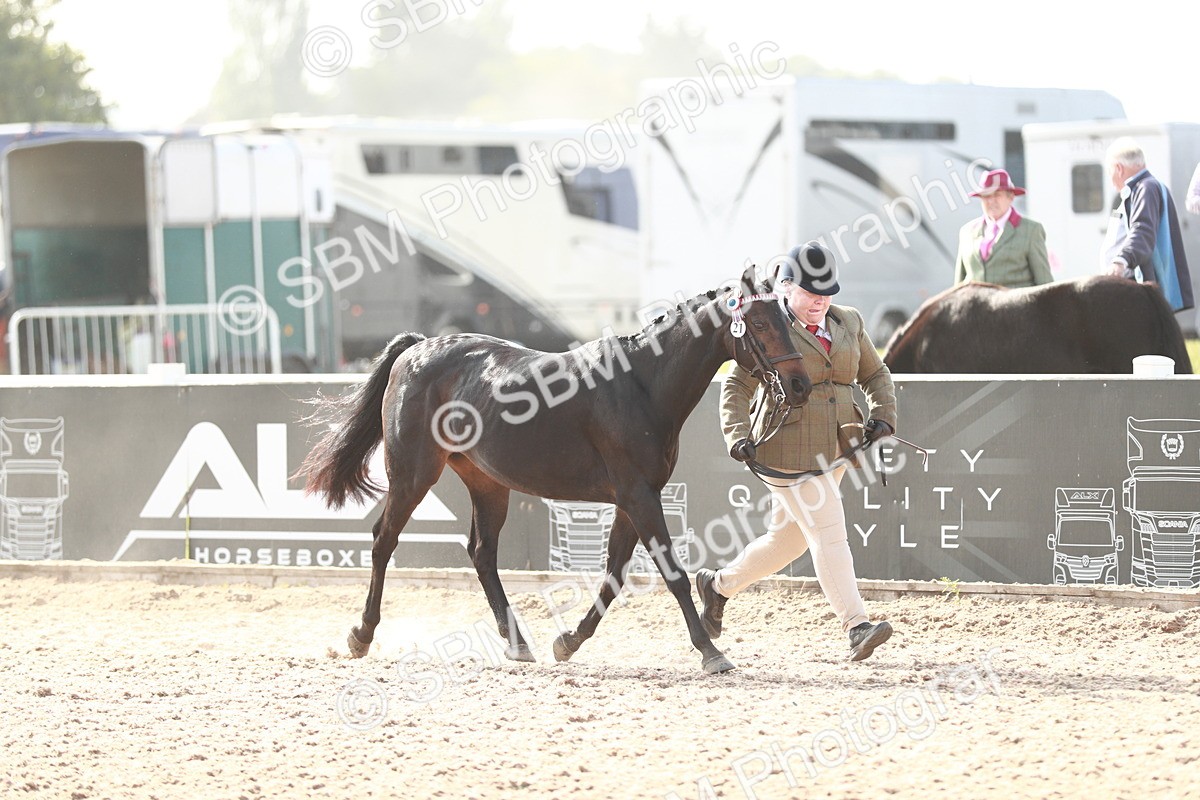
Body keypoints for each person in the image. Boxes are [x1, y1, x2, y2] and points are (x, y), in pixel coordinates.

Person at [695, 241, 898, 662]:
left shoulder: (850, 322)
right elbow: (736, 385)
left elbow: (876, 373)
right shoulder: (770, 327)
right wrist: (735, 433)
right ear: (786, 288)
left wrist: (883, 416)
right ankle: (856, 625)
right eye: (810, 292)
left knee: (786, 542)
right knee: (828, 530)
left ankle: (717, 588)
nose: (820, 301)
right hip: (784, 449)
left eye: (826, 292)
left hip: (837, 449)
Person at [1103, 137, 1194, 312]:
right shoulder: (1144, 188)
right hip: (1140, 285)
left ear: (1118, 168)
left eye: (1110, 172)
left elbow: (1142, 230)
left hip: (1143, 286)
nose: (1111, 180)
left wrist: (1120, 261)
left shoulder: (1145, 188)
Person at [953, 168, 1053, 288]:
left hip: (1016, 306)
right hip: (975, 305)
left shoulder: (1031, 230)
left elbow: (1045, 284)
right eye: (986, 196)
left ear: (1010, 197)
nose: (991, 201)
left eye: (997, 194)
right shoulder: (967, 231)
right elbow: (958, 285)